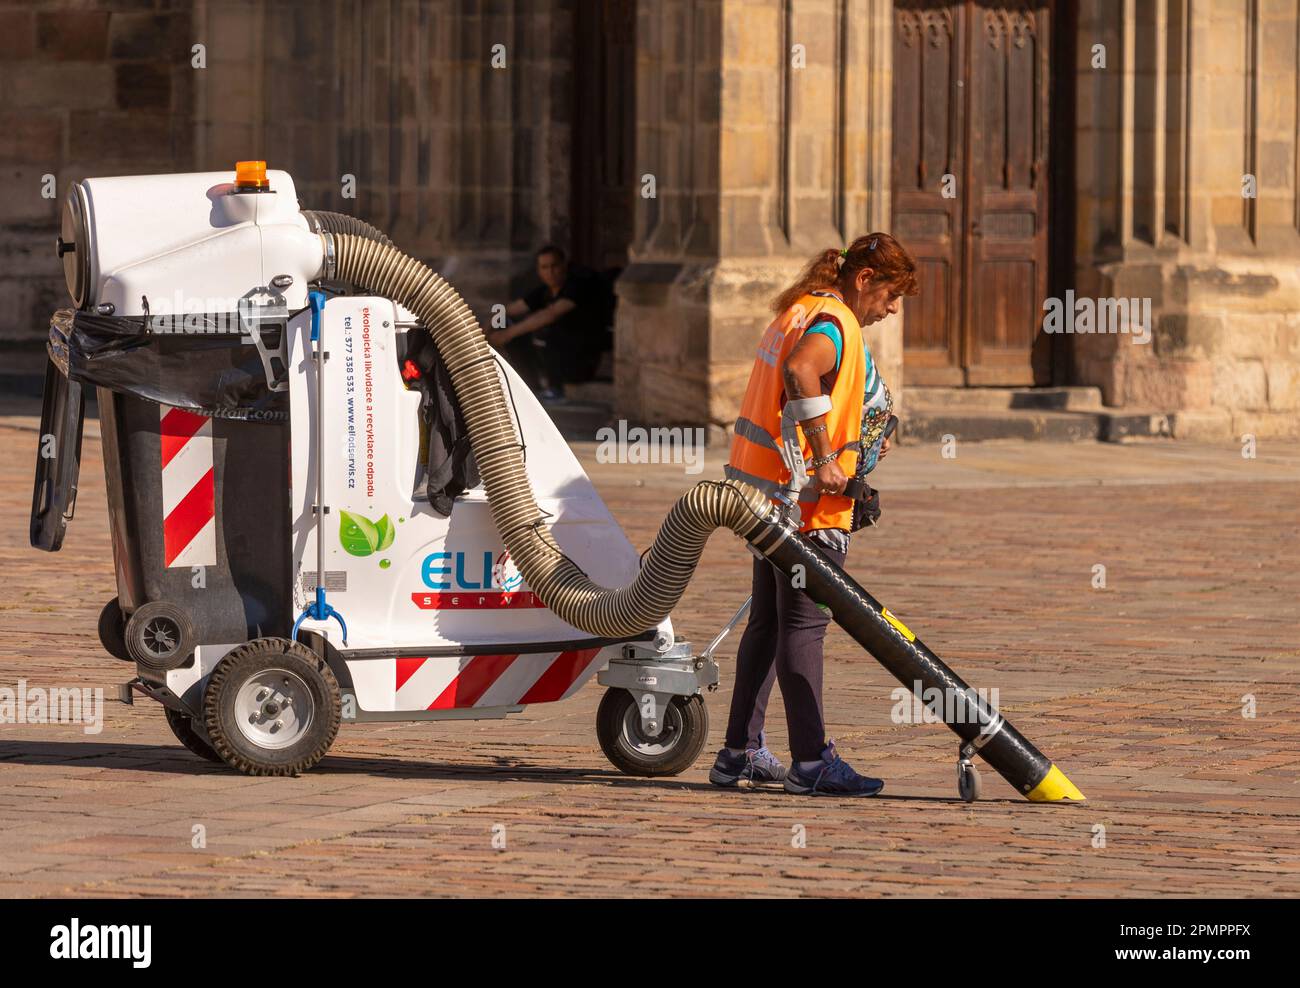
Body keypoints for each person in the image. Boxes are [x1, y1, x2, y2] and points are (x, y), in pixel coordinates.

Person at [712, 233, 920, 796]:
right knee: (803, 626)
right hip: (807, 505)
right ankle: (811, 763)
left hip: (769, 499)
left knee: (768, 623)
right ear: (865, 280)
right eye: (892, 293)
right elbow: (803, 372)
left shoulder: (799, 309)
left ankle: (739, 751)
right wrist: (828, 457)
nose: (893, 308)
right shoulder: (835, 325)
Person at [488, 245, 612, 401]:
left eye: (554, 266)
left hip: (582, 361)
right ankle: (532, 386)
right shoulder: (544, 291)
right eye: (545, 267)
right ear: (539, 271)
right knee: (507, 324)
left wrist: (507, 334)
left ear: (563, 266)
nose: (550, 272)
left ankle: (555, 390)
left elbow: (551, 314)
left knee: (551, 328)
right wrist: (488, 329)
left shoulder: (577, 286)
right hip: (554, 358)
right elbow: (506, 309)